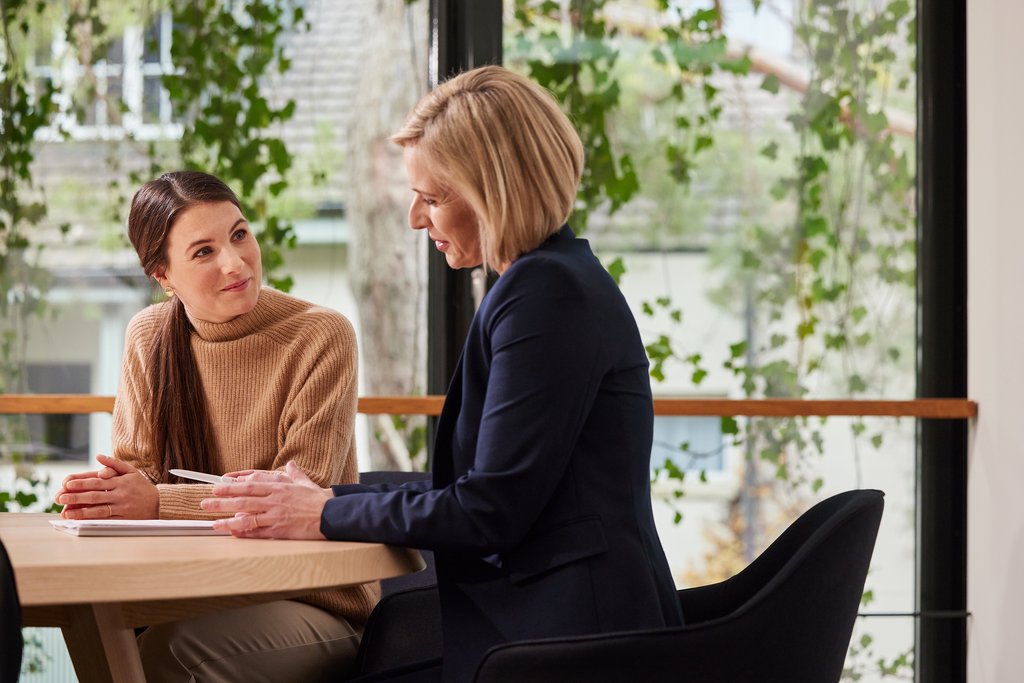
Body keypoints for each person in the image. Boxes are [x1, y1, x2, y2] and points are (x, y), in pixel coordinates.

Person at [203, 65, 684, 682]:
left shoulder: (545, 296)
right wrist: (322, 500)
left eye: (432, 198)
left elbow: (488, 511)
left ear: (495, 190)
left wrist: (320, 513)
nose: (415, 220)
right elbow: (478, 489)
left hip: (568, 645)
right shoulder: (548, 281)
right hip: (545, 627)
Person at [54, 170, 375, 682]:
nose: (235, 262)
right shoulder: (149, 336)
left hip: (315, 604)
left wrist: (158, 502)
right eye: (203, 252)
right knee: (109, 648)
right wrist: (109, 498)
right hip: (189, 593)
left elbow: (296, 497)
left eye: (239, 234)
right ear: (163, 275)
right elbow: (135, 483)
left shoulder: (321, 336)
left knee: (166, 656)